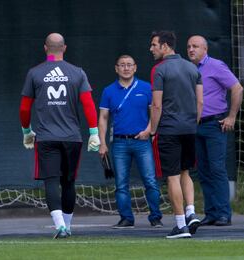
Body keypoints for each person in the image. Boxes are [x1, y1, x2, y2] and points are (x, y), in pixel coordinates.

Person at [19, 33, 100, 239]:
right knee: (69, 182)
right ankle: (68, 226)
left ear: (45, 48)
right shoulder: (77, 72)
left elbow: (24, 108)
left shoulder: (35, 73)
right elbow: (89, 104)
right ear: (64, 48)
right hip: (72, 137)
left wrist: (26, 131)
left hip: (46, 138)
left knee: (51, 181)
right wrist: (94, 133)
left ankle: (60, 227)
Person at [98, 54, 163, 229]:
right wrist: (102, 143)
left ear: (135, 68)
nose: (126, 68)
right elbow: (103, 118)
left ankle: (156, 217)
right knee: (121, 184)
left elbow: (155, 112)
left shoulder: (146, 87)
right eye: (122, 65)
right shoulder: (108, 91)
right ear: (116, 68)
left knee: (150, 180)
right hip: (119, 143)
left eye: (129, 65)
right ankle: (126, 218)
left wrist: (149, 131)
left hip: (142, 141)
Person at [149, 31, 203, 239]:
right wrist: (193, 123)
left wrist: (153, 130)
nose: (151, 49)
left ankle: (181, 226)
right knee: (185, 172)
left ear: (165, 46)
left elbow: (156, 105)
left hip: (169, 130)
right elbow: (200, 102)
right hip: (189, 129)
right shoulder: (192, 67)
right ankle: (190, 212)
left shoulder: (159, 70)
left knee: (172, 177)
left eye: (154, 45)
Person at [187, 35, 243, 226]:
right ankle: (211, 213)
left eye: (195, 46)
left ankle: (223, 214)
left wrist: (232, 116)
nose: (191, 49)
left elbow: (237, 88)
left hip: (214, 124)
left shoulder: (216, 66)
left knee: (217, 168)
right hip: (195, 125)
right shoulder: (189, 69)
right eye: (188, 47)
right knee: (203, 171)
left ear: (205, 49)